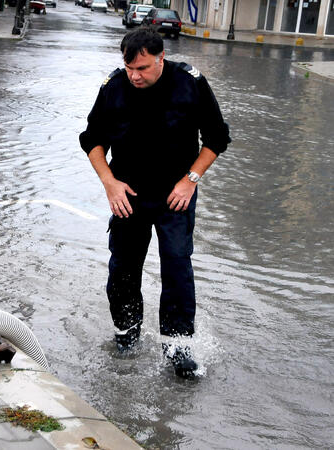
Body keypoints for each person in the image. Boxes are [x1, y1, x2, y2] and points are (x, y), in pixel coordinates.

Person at [79, 27, 231, 378]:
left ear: (161, 58)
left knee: (177, 266)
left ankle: (178, 345)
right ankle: (126, 333)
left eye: (143, 68)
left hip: (175, 195)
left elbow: (217, 138)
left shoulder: (190, 83)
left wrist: (190, 180)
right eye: (130, 67)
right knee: (123, 267)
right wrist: (109, 184)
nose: (135, 75)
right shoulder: (114, 87)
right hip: (127, 194)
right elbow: (92, 140)